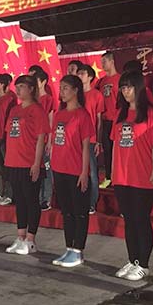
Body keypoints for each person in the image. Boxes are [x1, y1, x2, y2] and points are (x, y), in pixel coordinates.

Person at [112, 71, 153, 281]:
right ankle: (132, 259)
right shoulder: (120, 113)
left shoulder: (151, 114)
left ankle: (143, 264)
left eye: (129, 87)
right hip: (122, 176)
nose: (125, 91)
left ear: (138, 88)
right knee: (129, 220)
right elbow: (115, 144)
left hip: (142, 175)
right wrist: (114, 171)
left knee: (141, 219)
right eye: (123, 88)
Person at [50, 75, 94, 267]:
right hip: (59, 168)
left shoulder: (82, 115)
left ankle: (78, 250)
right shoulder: (59, 115)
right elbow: (55, 142)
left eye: (66, 88)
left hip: (75, 170)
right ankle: (69, 248)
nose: (62, 92)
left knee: (79, 212)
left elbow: (85, 147)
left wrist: (84, 172)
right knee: (66, 212)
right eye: (61, 88)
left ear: (76, 90)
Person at [4, 75, 50, 255]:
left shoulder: (37, 110)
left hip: (29, 162)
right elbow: (9, 134)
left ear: (31, 88)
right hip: (13, 161)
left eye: (22, 86)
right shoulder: (14, 110)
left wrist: (37, 163)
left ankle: (31, 240)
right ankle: (20, 236)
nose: (18, 90)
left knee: (31, 200)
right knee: (19, 200)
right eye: (17, 87)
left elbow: (41, 138)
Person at [77, 64, 105, 214]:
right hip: (75, 139)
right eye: (78, 73)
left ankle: (92, 202)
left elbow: (99, 119)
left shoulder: (96, 95)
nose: (79, 76)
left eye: (82, 73)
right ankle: (79, 199)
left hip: (91, 138)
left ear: (90, 77)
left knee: (92, 171)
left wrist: (98, 141)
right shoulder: (76, 94)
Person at [0, 74, 16, 206]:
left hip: (5, 137)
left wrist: (6, 136)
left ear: (3, 84)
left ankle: (10, 194)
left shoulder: (10, 98)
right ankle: (0, 192)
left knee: (8, 167)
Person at [96, 52, 120, 189]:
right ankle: (109, 177)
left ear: (112, 61)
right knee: (107, 149)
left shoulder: (120, 79)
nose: (103, 64)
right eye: (101, 62)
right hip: (104, 121)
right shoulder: (101, 82)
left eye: (104, 61)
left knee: (117, 151)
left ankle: (118, 176)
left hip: (117, 121)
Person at [35, 68, 56, 211]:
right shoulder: (32, 100)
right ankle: (37, 197)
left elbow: (51, 121)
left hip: (44, 140)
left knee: (47, 170)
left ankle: (46, 198)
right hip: (33, 141)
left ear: (43, 82)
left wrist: (49, 142)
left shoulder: (48, 100)